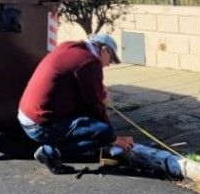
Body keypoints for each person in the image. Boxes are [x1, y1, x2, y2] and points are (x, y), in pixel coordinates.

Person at [18, 33, 134, 173]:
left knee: (94, 126)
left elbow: (82, 89)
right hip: (40, 124)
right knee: (103, 132)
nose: (109, 64)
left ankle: (52, 147)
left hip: (27, 114)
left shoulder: (70, 46)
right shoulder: (90, 62)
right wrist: (114, 138)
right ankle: (50, 152)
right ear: (104, 50)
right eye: (111, 59)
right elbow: (96, 106)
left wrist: (97, 91)